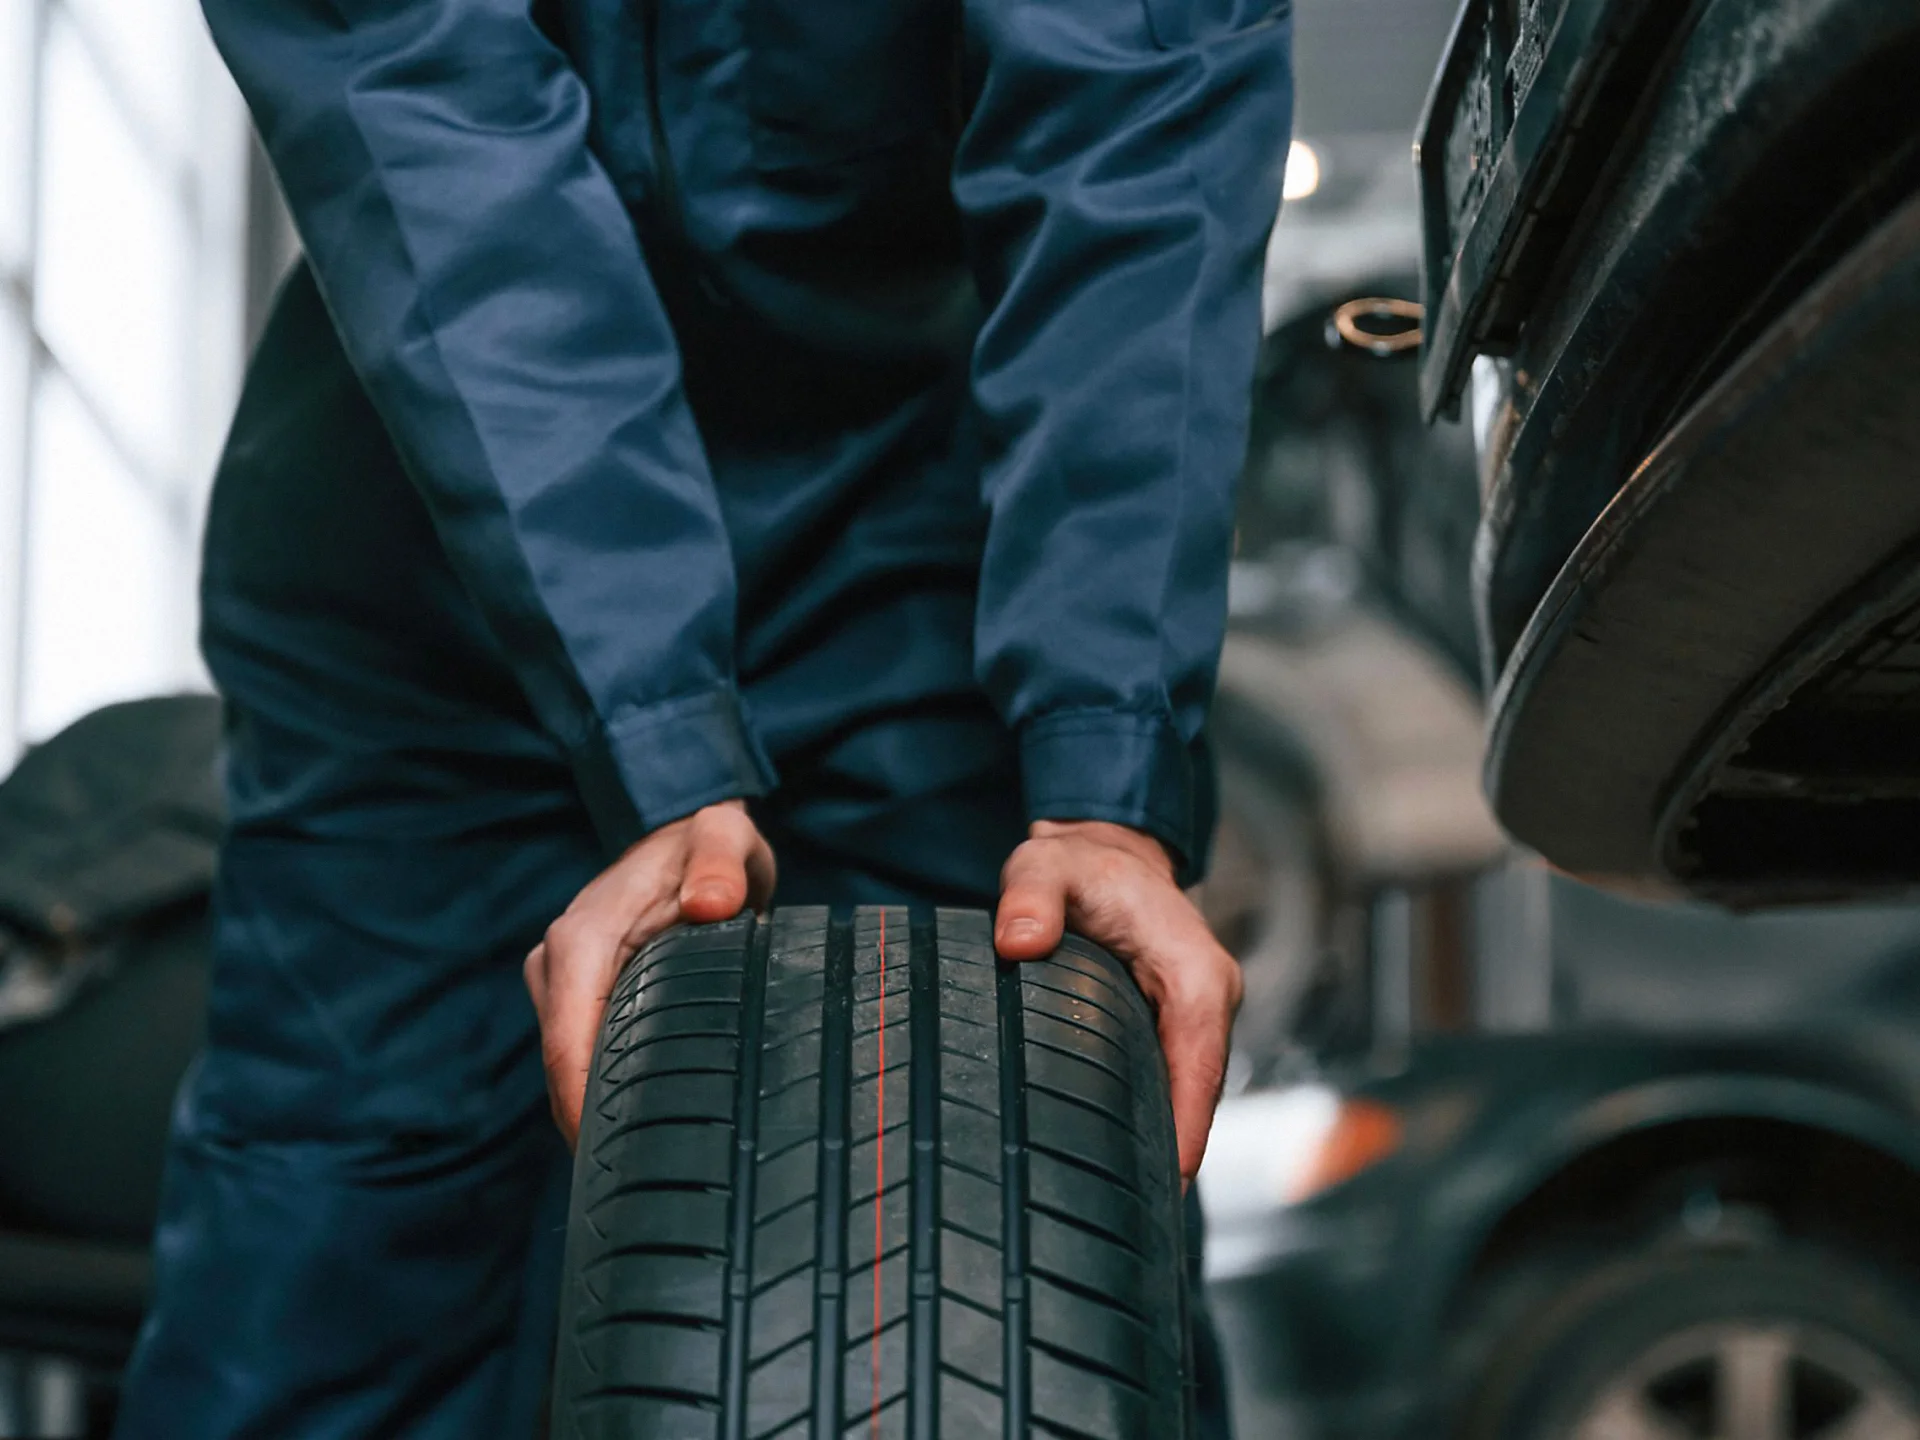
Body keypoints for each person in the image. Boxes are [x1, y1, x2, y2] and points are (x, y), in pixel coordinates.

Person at [114, 0, 1293, 1433]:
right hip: (432, 549)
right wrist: (658, 734)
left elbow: (1140, 107)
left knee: (1033, 1246)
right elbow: (415, 96)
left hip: (932, 553)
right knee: (336, 1254)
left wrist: (1105, 772)